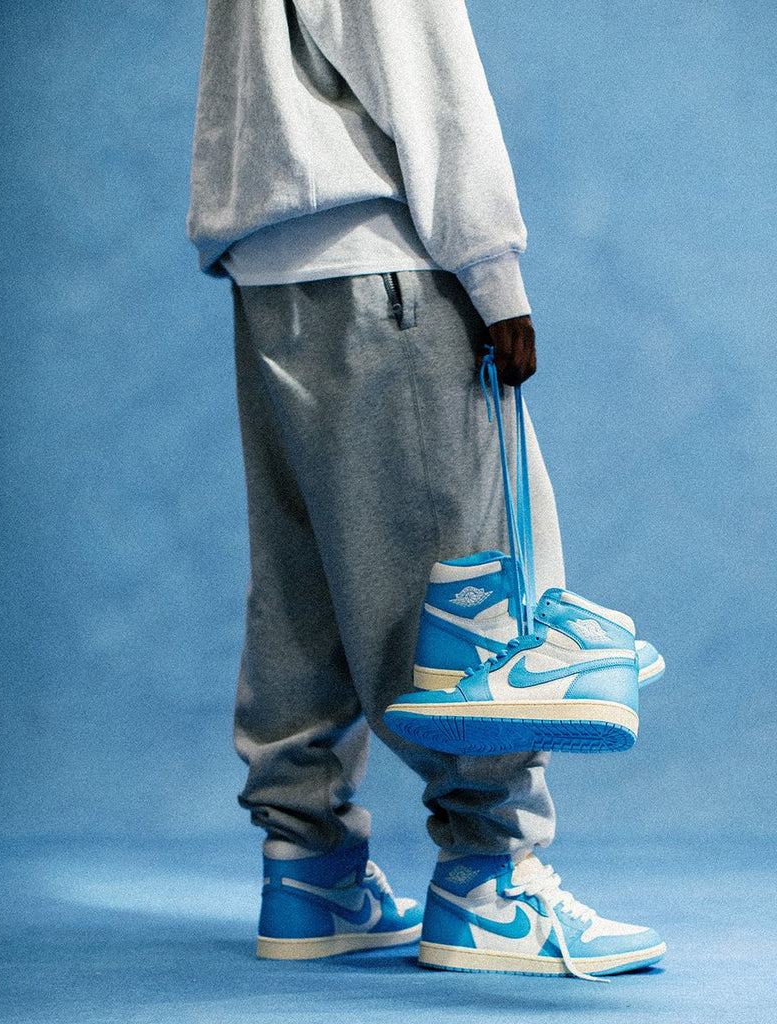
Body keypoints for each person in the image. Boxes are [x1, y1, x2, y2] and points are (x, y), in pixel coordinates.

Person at [187, 0, 664, 979]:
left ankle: (309, 866)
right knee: (465, 589)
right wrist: (493, 275)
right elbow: (423, 69)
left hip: (270, 271)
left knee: (304, 581)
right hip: (386, 267)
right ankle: (491, 881)